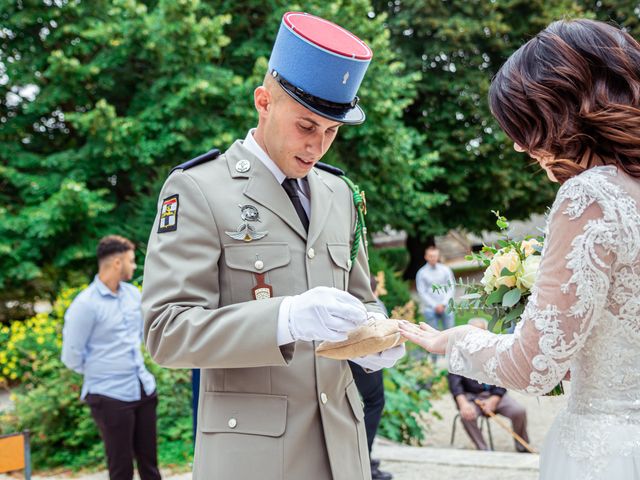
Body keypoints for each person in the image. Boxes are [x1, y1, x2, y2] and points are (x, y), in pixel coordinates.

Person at [141, 11, 404, 480]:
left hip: (342, 450)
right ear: (264, 101)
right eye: (307, 126)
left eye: (332, 131)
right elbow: (166, 331)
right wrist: (285, 319)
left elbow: (362, 296)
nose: (319, 146)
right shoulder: (199, 189)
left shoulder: (340, 193)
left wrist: (374, 335)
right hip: (253, 458)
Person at [399, 19, 640, 479]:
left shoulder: (590, 197)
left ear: (564, 110)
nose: (516, 143)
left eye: (524, 124)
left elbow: (533, 369)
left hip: (605, 452)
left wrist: (456, 340)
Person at [61, 235, 161, 480]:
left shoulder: (133, 296)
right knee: (121, 470)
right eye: (131, 260)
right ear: (117, 262)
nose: (134, 266)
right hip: (109, 395)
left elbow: (141, 335)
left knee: (151, 467)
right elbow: (71, 356)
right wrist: (101, 370)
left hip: (143, 389)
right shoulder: (85, 305)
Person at [448, 318, 529, 452]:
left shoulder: (495, 350)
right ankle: (483, 449)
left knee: (518, 411)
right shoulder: (458, 353)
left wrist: (494, 400)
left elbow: (504, 379)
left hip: (495, 396)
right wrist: (463, 404)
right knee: (467, 415)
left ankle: (523, 447)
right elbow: (455, 384)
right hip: (472, 397)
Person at [348, 276, 393, 480]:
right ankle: (363, 458)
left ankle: (362, 456)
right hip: (363, 356)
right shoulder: (373, 304)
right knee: (375, 401)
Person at [415, 246, 455, 362]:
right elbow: (421, 292)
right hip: (430, 309)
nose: (433, 258)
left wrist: (443, 304)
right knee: (432, 336)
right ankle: (434, 362)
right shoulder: (421, 273)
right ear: (426, 257)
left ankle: (451, 359)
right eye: (431, 256)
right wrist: (434, 305)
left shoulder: (445, 270)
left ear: (438, 256)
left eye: (435, 256)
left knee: (450, 333)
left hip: (446, 307)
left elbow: (451, 287)